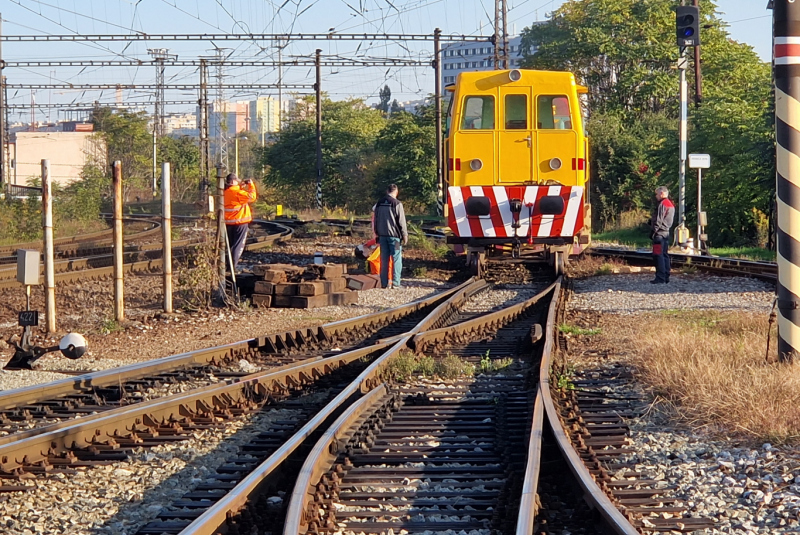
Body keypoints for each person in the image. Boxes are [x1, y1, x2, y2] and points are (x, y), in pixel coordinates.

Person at [373, 184, 408, 289]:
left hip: (382, 236)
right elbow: (401, 221)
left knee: (384, 260)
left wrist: (376, 233)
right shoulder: (397, 203)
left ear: (387, 191)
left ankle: (384, 283)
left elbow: (376, 220)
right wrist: (405, 234)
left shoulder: (379, 203)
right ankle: (396, 283)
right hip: (395, 238)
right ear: (396, 192)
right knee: (396, 258)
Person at [223, 173, 257, 271]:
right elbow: (252, 197)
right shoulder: (238, 193)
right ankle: (232, 268)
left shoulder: (225, 192)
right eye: (236, 181)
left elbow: (236, 199)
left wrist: (241, 188)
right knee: (237, 245)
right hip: (240, 223)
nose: (238, 182)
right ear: (233, 182)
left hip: (228, 223)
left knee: (230, 245)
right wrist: (251, 185)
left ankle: (227, 266)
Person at [651, 186, 675, 284]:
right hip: (666, 233)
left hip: (659, 234)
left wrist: (653, 231)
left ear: (661, 194)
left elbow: (658, 220)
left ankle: (660, 277)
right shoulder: (670, 204)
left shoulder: (662, 204)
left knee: (658, 255)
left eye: (657, 194)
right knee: (665, 254)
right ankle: (666, 276)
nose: (656, 196)